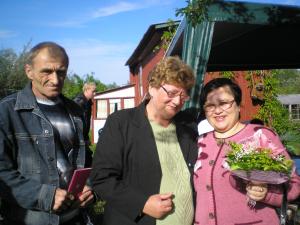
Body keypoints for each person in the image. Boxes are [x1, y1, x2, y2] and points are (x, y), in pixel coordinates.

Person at [91, 56, 198, 225]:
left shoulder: (188, 126)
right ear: (153, 88)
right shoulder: (121, 123)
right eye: (171, 93)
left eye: (183, 96)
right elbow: (101, 178)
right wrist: (142, 204)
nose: (177, 101)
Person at [0, 42, 94, 225]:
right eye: (46, 71)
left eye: (61, 72)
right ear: (29, 71)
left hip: (77, 218)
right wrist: (44, 196)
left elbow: (86, 158)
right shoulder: (7, 112)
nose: (56, 80)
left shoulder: (76, 111)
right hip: (30, 219)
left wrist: (90, 188)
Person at [193, 78, 300, 225]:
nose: (217, 110)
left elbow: (294, 185)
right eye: (210, 106)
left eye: (224, 103)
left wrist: (267, 194)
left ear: (238, 105)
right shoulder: (199, 142)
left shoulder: (260, 135)